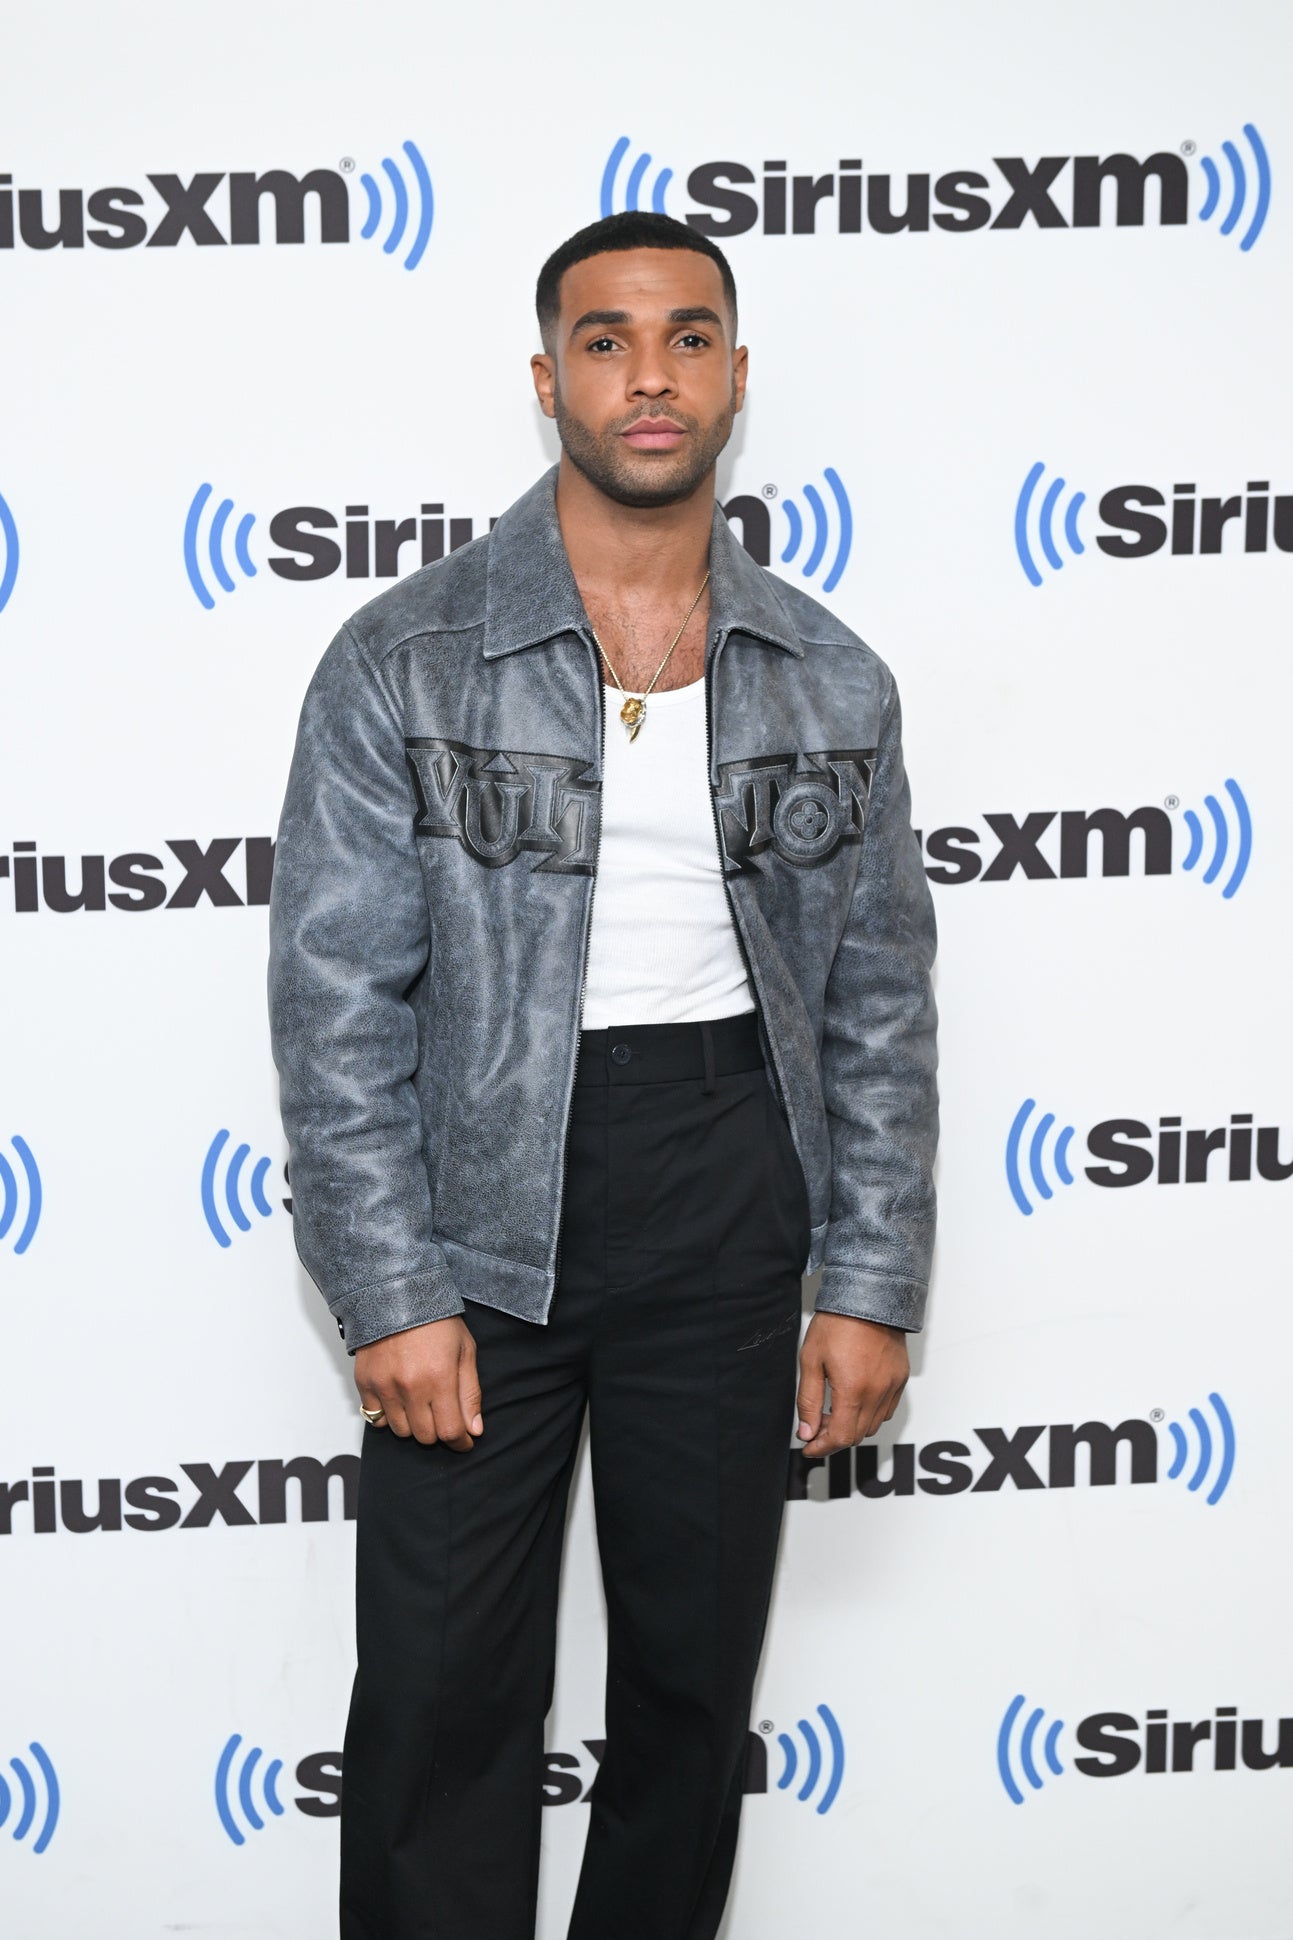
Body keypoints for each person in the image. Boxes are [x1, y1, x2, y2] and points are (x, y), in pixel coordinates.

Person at [267, 208, 938, 1940]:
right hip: (478, 1212)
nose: (650, 376)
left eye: (687, 337)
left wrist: (867, 1278)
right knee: (439, 1703)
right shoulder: (405, 657)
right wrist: (390, 1288)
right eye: (607, 339)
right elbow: (335, 1000)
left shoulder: (829, 674)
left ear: (733, 375)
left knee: (690, 1705)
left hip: (728, 1190)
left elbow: (876, 995)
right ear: (547, 375)